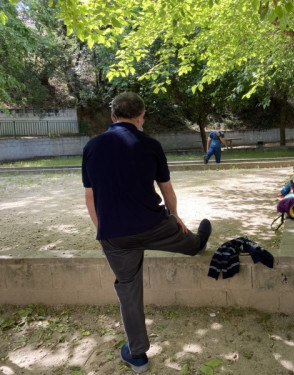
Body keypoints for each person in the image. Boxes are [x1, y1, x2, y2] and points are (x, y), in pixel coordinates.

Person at [82, 92, 212, 373]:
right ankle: (197, 244)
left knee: (128, 289)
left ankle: (137, 355)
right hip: (154, 226)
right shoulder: (150, 144)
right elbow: (166, 190)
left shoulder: (92, 146)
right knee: (190, 241)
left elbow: (90, 197)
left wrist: (101, 233)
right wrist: (176, 217)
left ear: (112, 116)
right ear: (140, 117)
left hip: (114, 235)